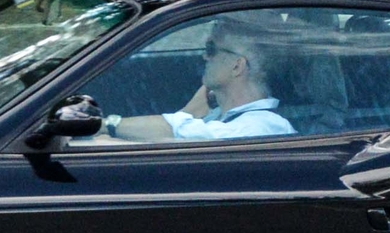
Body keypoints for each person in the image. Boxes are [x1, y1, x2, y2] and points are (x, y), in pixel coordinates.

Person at [100, 17, 297, 141]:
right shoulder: (219, 115)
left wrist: (106, 125)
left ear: (237, 66)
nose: (205, 57)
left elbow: (185, 135)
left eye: (211, 50)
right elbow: (168, 141)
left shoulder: (263, 127)